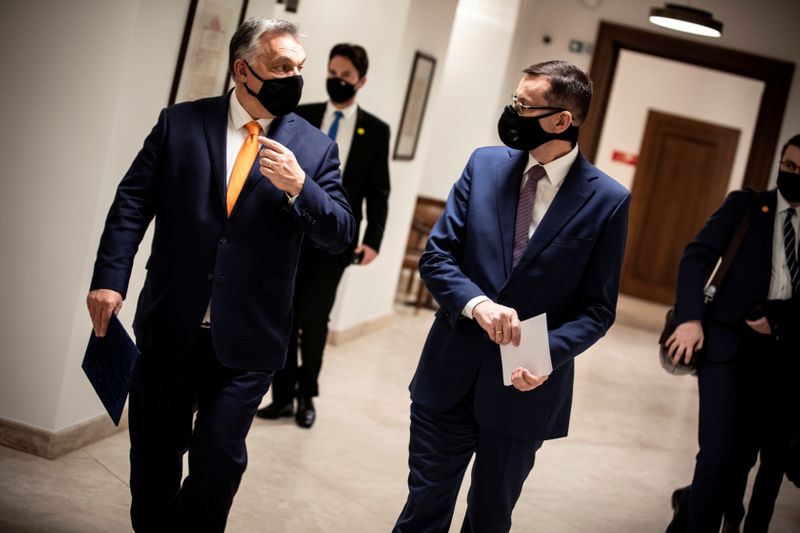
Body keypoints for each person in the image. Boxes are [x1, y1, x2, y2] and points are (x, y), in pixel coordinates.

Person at [85, 18, 354, 532]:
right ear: (243, 70)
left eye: (299, 68)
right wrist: (110, 278)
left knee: (217, 460)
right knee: (154, 456)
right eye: (281, 67)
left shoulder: (316, 149)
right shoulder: (180, 124)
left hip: (250, 337)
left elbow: (340, 233)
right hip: (169, 325)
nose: (294, 77)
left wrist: (301, 188)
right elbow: (131, 204)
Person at [393, 60, 631, 532]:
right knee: (423, 512)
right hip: (449, 373)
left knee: (489, 519)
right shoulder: (483, 166)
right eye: (514, 100)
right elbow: (438, 256)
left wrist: (543, 355)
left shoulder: (608, 200)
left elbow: (599, 309)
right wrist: (478, 304)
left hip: (525, 387)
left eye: (524, 105)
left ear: (562, 121)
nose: (512, 111)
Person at [665, 135, 800, 533]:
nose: (794, 175)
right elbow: (696, 256)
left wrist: (782, 322)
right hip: (726, 344)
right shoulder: (746, 206)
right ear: (780, 164)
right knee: (719, 450)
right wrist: (690, 318)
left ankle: (689, 504)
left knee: (742, 456)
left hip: (781, 354)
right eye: (789, 166)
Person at [257, 43, 390, 428]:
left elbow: (379, 190)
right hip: (292, 232)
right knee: (283, 316)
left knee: (313, 320)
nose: (337, 80)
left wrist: (374, 240)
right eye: (332, 72)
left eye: (346, 75)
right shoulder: (303, 114)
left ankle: (306, 395)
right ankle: (281, 395)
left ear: (361, 81)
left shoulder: (375, 131)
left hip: (337, 241)